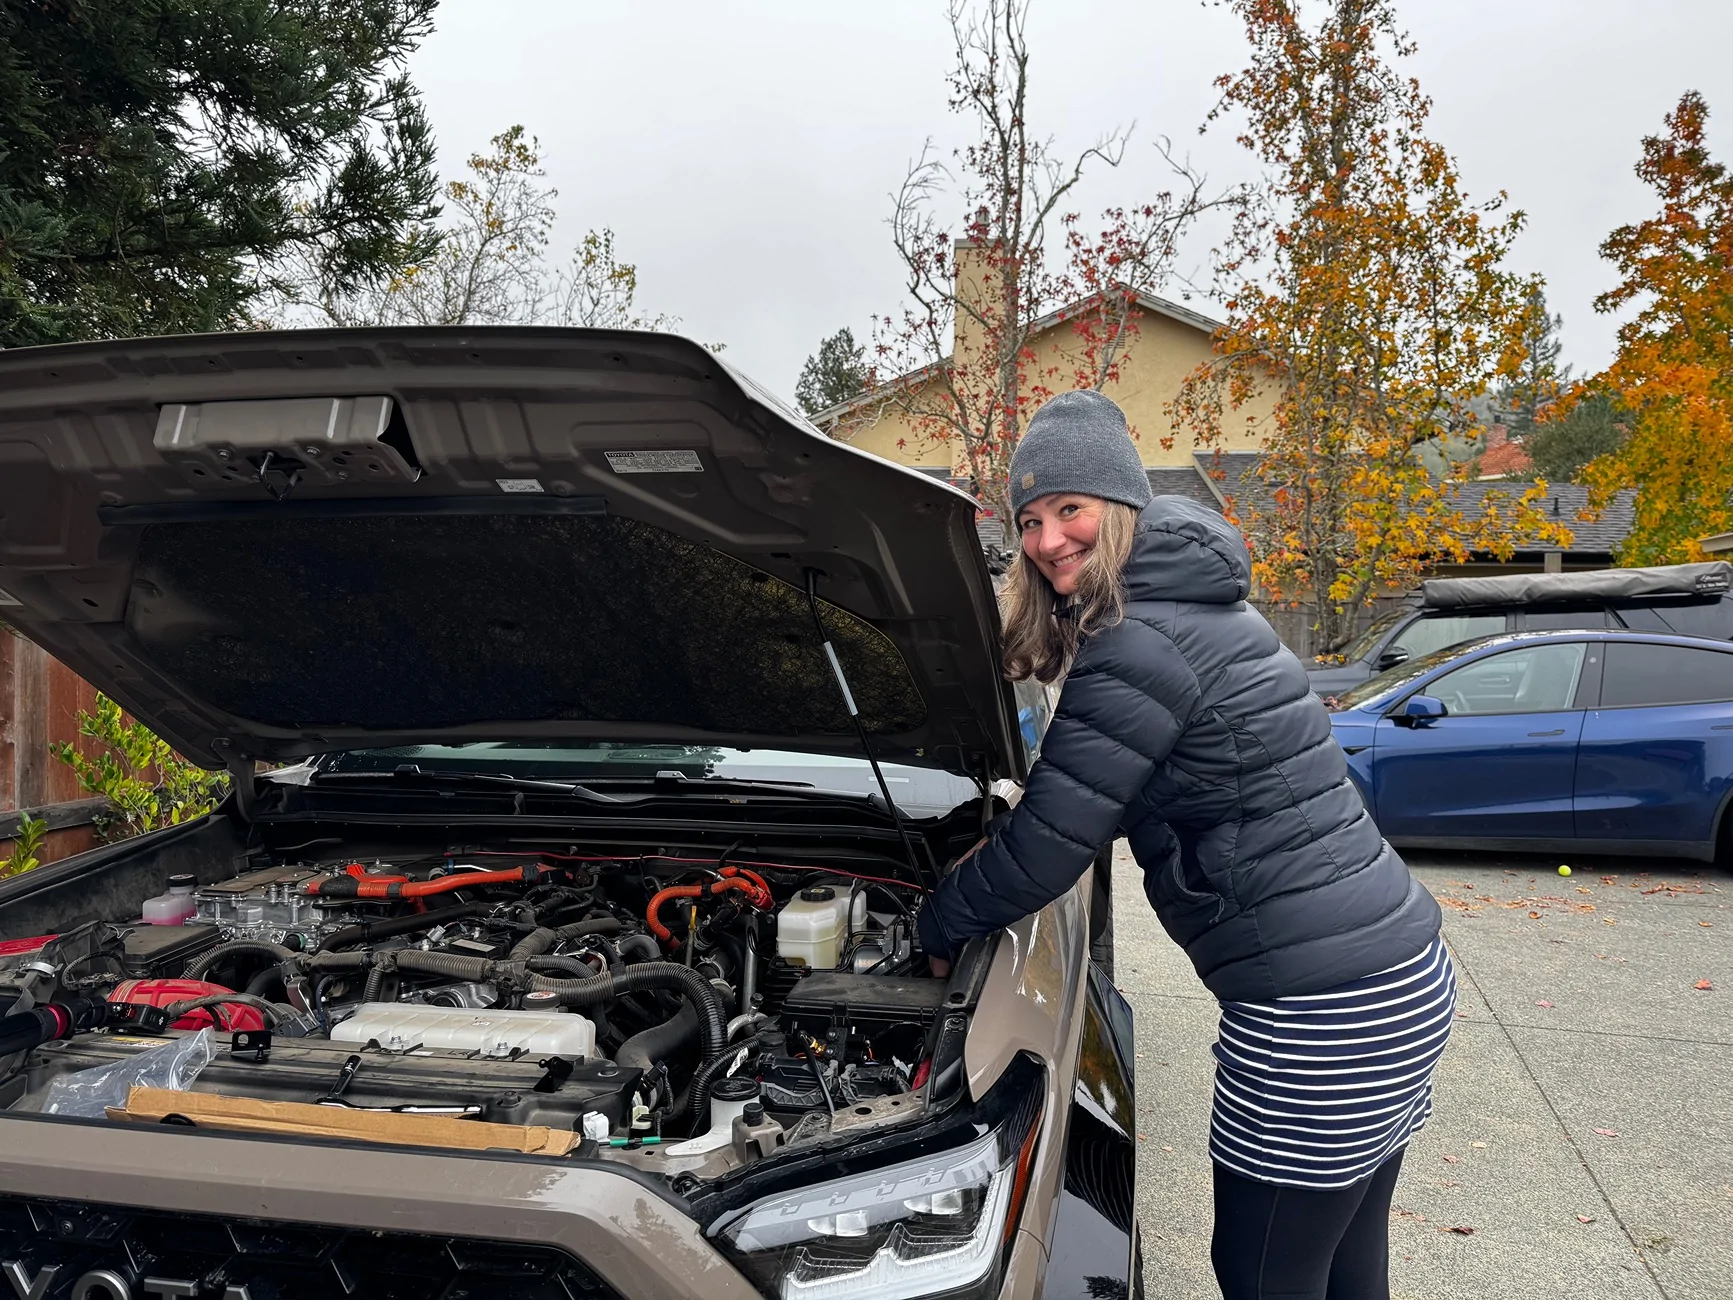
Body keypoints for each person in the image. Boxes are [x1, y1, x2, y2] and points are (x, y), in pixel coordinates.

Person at [916, 390, 1453, 1300]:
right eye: (1030, 518)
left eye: (1070, 509)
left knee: (1258, 1274)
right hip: (1398, 980)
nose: (1046, 539)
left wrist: (929, 924)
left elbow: (1049, 847)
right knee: (1346, 1267)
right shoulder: (1205, 607)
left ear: (1120, 508)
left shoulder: (1136, 642)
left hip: (1318, 1018)